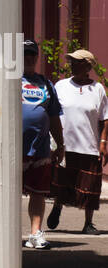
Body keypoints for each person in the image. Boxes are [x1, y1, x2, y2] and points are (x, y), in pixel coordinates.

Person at [47, 49, 108, 235]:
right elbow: (52, 113)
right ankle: (58, 205)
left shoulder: (97, 89)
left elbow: (104, 118)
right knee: (62, 181)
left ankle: (88, 223)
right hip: (64, 144)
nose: (72, 64)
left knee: (90, 186)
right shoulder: (61, 86)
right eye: (72, 61)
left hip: (89, 145)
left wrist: (103, 142)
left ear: (88, 66)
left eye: (77, 62)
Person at [21, 38, 65, 249]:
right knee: (8, 192)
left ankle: (35, 233)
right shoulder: (9, 80)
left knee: (38, 192)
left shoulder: (46, 83)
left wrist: (60, 144)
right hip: (14, 149)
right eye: (24, 55)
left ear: (37, 58)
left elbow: (54, 116)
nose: (28, 59)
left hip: (40, 148)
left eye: (32, 55)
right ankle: (7, 233)